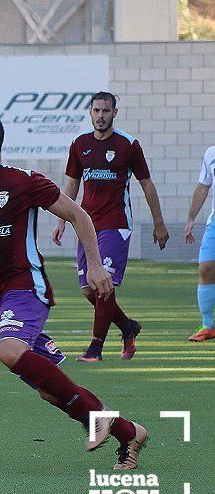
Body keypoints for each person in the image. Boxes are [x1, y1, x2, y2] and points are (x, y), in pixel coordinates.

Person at [0, 106, 147, 470]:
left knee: (9, 351)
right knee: (49, 391)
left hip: (24, 286)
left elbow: (78, 215)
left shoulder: (23, 182)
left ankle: (95, 418)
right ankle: (128, 433)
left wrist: (97, 265)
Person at [52, 91, 169, 362]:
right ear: (90, 113)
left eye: (106, 111)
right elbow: (71, 184)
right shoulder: (79, 144)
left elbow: (146, 183)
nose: (101, 116)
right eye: (96, 111)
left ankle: (95, 348)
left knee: (103, 284)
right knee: (88, 290)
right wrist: (62, 220)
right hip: (86, 224)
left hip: (116, 224)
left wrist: (159, 224)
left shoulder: (128, 145)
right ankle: (127, 326)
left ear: (114, 113)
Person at [185, 145, 215, 341]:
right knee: (205, 268)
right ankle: (208, 325)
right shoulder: (211, 153)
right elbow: (203, 186)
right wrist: (191, 218)